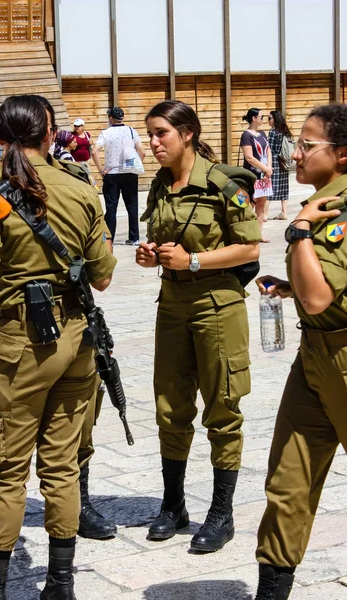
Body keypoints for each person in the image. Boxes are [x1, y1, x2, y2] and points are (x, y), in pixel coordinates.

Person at [0, 94, 117, 599]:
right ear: (50, 134)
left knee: (6, 467)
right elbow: (104, 277)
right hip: (77, 341)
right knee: (62, 465)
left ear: (0, 136)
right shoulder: (82, 189)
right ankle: (60, 583)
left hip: (20, 341)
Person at [136, 100, 261, 553]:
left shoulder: (225, 184)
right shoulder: (160, 185)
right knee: (170, 407)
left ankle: (221, 512)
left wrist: (192, 260)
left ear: (187, 133)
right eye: (150, 134)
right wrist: (151, 254)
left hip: (217, 305)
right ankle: (173, 505)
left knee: (222, 409)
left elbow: (248, 248)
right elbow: (160, 239)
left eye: (161, 134)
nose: (153, 143)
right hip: (171, 304)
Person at [254, 102, 347, 599]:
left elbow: (320, 296)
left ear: (342, 155)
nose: (295, 152)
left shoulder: (334, 209)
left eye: (308, 145)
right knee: (289, 479)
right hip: (315, 353)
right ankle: (272, 590)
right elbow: (316, 290)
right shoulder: (323, 202)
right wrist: (288, 287)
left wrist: (299, 232)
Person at [92, 106, 145, 245]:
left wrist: (101, 170)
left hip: (112, 173)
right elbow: (142, 152)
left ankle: (110, 238)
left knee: (111, 208)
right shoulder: (131, 131)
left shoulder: (106, 133)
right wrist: (136, 164)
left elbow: (94, 151)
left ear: (110, 118)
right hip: (129, 172)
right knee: (132, 205)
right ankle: (134, 238)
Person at [240, 108, 273, 241]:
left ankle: (258, 234)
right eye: (261, 116)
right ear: (254, 118)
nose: (263, 119)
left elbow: (268, 151)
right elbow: (249, 157)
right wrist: (265, 168)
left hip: (264, 175)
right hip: (252, 174)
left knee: (261, 204)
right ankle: (247, 234)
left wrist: (269, 168)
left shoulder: (263, 134)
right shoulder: (246, 136)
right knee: (250, 204)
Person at [268, 110, 293, 220]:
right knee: (284, 187)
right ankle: (284, 213)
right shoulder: (285, 131)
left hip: (274, 161)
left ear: (275, 120)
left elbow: (270, 149)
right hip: (284, 162)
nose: (268, 120)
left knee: (270, 187)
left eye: (269, 118)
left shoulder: (273, 132)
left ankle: (264, 215)